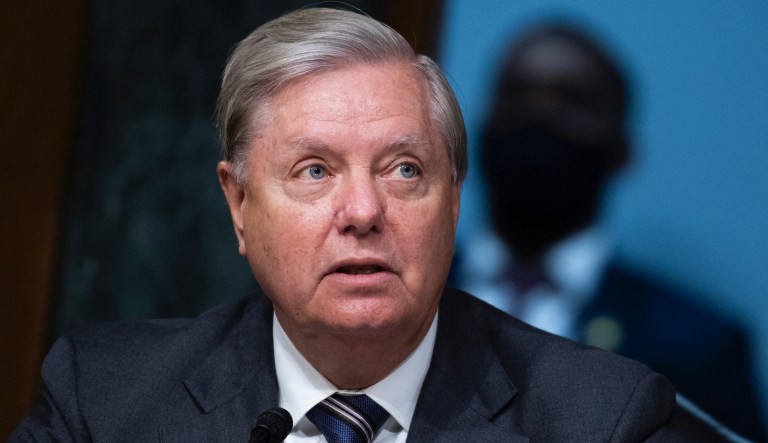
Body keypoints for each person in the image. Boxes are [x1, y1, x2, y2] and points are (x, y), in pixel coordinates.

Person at [11, 8, 739, 442]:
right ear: (237, 205)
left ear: (453, 202)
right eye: (315, 171)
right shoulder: (104, 402)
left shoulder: (599, 420)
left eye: (403, 171)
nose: (363, 213)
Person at [452, 23, 764, 441]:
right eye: (516, 94)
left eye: (572, 101)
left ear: (623, 153)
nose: (538, 115)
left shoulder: (698, 346)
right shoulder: (391, 293)